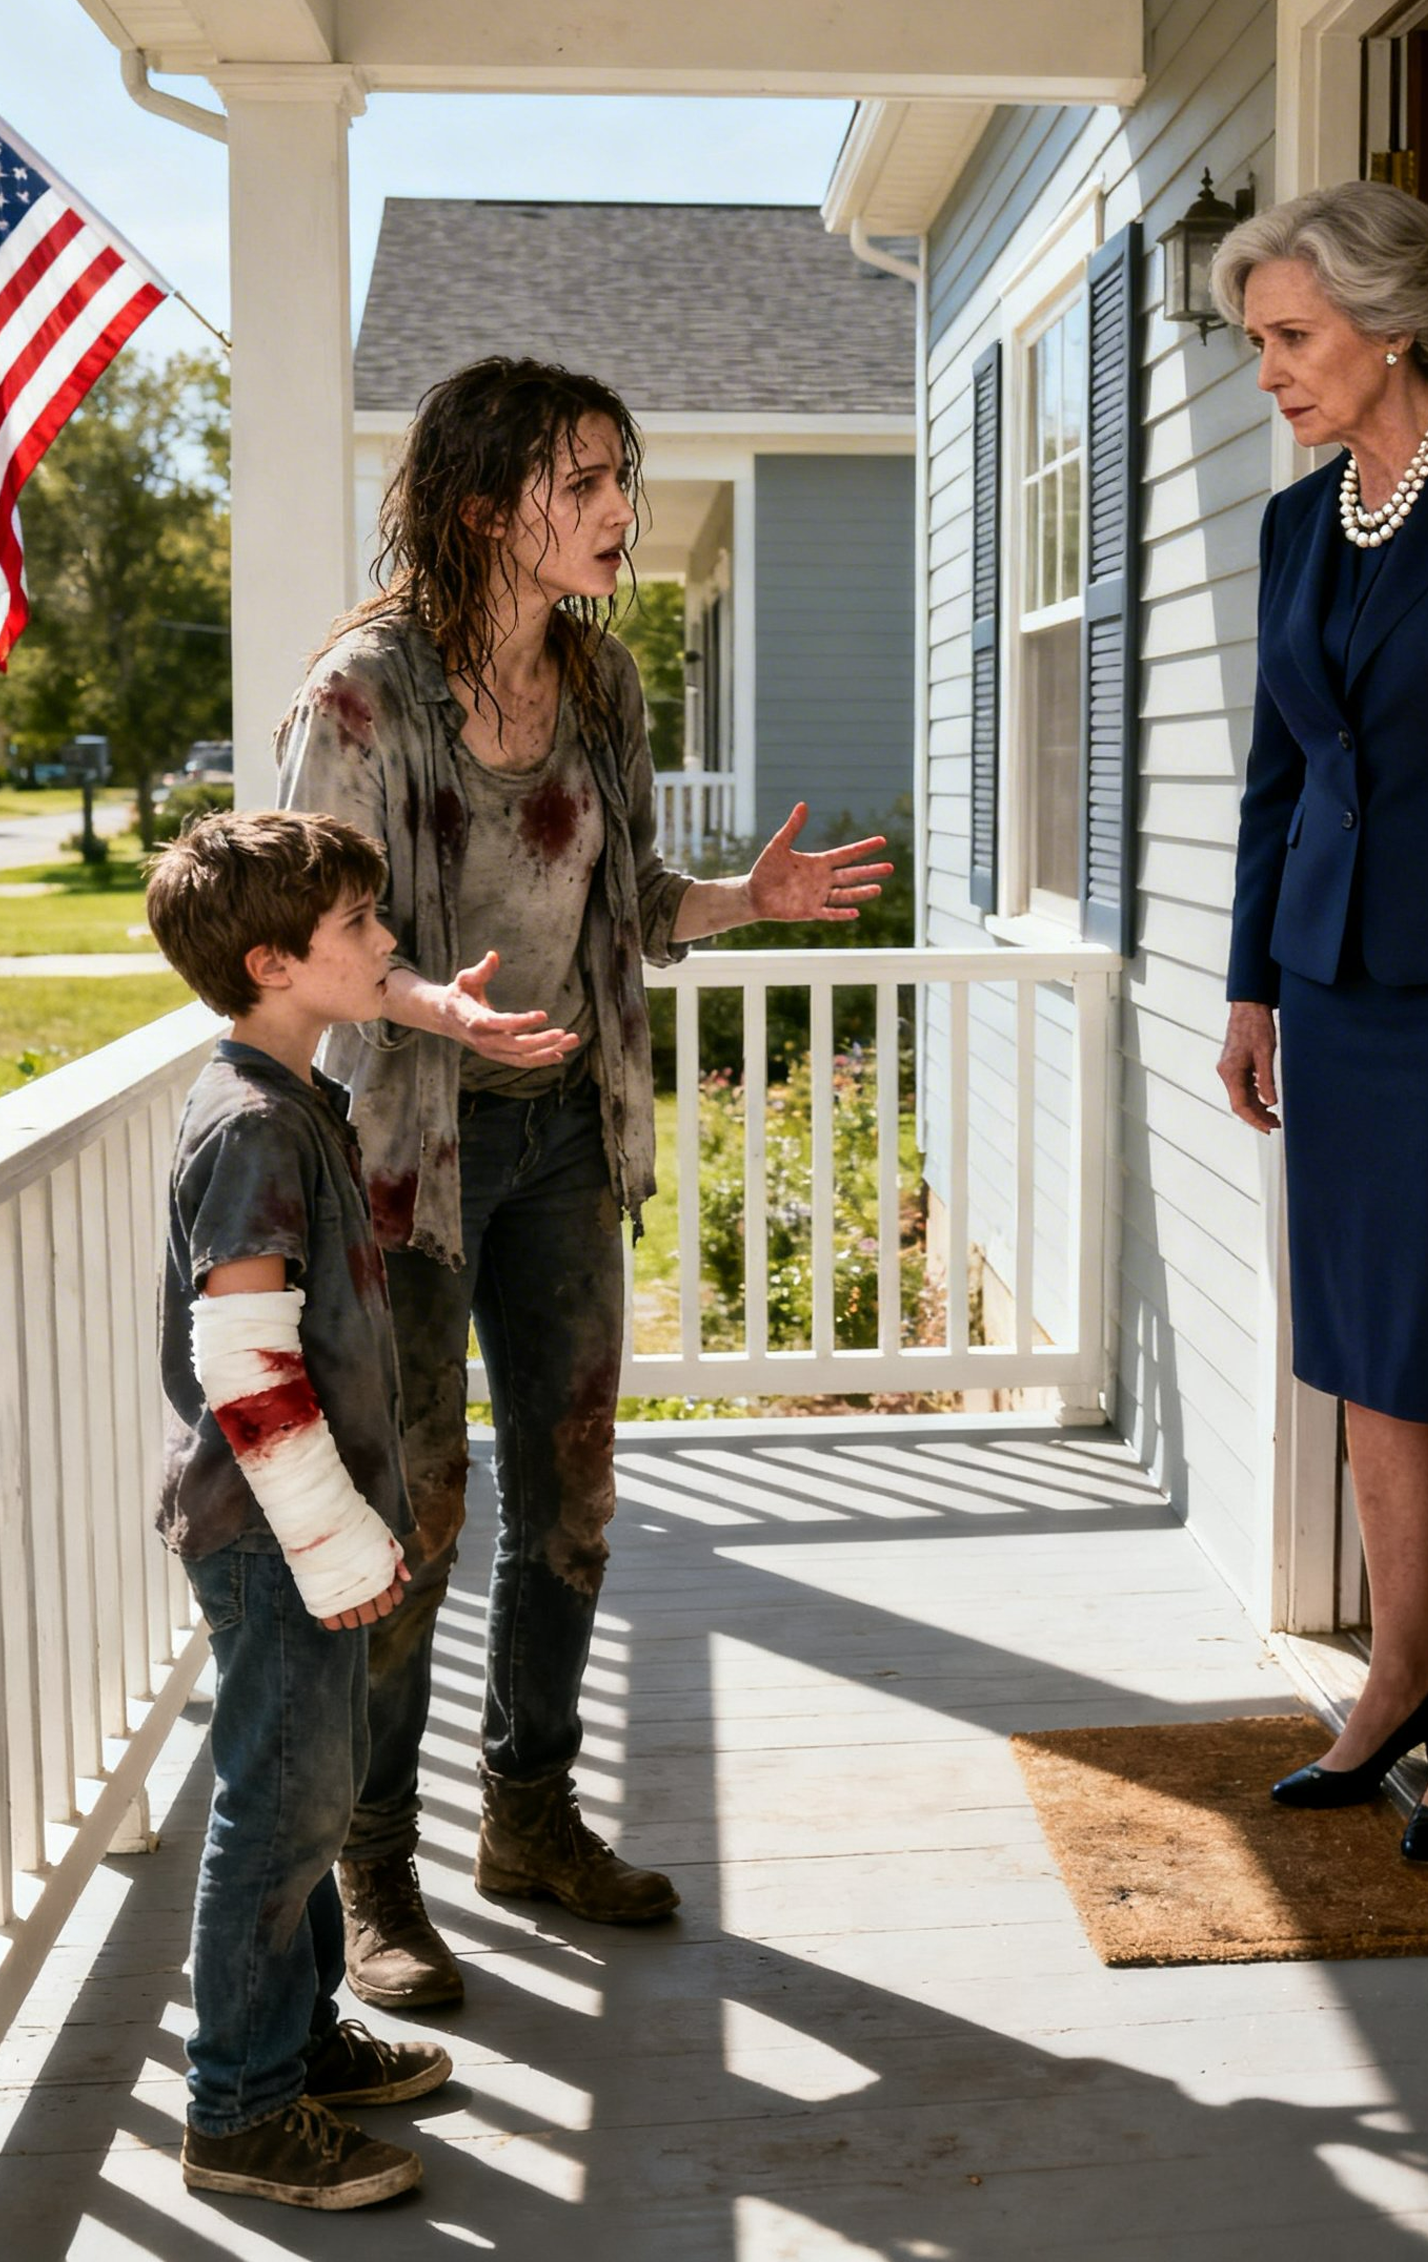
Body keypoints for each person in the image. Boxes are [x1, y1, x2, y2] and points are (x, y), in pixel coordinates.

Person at [277, 355, 892, 2007]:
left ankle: (529, 1817)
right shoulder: (362, 696)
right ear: (490, 507)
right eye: (585, 484)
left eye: (626, 475)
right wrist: (432, 1006)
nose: (622, 512)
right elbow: (305, 949)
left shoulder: (605, 686)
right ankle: (379, 1864)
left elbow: (622, 901)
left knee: (573, 1501)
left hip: (559, 1142)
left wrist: (746, 902)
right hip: (403, 1156)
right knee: (412, 1516)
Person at [1211, 182, 1428, 1862]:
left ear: (1390, 325)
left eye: (1290, 337)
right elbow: (1281, 774)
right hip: (1333, 989)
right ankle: (1397, 1662)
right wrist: (1250, 982)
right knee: (1357, 1338)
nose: (1266, 370)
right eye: (1256, 341)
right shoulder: (1298, 526)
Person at [147, 811, 454, 2210]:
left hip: (303, 1527)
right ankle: (240, 2109)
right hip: (276, 1535)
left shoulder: (289, 1093)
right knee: (278, 1812)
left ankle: (297, 2039)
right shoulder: (256, 1124)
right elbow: (245, 1363)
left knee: (313, 1794)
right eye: (356, 930)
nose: (386, 942)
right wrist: (334, 1535)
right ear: (273, 962)